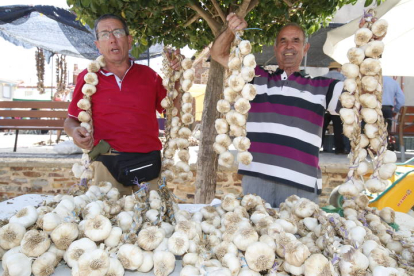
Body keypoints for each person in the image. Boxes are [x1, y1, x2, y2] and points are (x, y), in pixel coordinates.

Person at [211, 14, 344, 207]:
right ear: (276, 48)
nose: (289, 46)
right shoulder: (255, 77)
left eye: (296, 41)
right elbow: (218, 54)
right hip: (256, 179)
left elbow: (359, 99)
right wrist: (231, 30)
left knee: (298, 236)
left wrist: (368, 46)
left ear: (305, 48)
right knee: (255, 235)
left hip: (301, 185)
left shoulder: (323, 86)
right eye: (283, 41)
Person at [64, 14, 181, 195]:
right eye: (104, 35)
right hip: (107, 164)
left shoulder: (149, 76)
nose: (112, 39)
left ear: (129, 40)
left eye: (117, 32)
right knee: (107, 219)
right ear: (98, 45)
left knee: (153, 219)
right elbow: (71, 120)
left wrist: (177, 78)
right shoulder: (88, 78)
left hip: (148, 164)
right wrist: (74, 132)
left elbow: (174, 113)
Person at [321, 61, 350, 154]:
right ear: (339, 69)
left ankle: (317, 148)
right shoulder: (343, 79)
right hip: (337, 108)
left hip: (323, 107)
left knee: (321, 128)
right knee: (338, 129)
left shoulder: (322, 78)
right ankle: (339, 149)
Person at [382, 76, 405, 150]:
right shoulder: (393, 82)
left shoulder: (371, 80)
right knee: (386, 130)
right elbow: (401, 99)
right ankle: (385, 147)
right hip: (387, 110)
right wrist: (395, 110)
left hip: (372, 110)